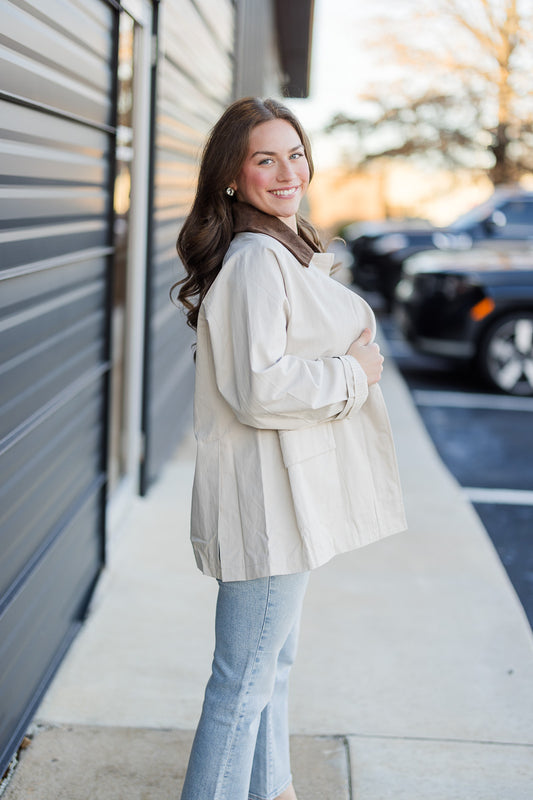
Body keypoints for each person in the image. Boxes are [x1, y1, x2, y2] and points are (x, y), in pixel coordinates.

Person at [174, 97, 406, 800]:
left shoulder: (285, 246)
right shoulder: (253, 261)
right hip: (267, 506)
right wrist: (353, 375)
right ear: (230, 177)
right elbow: (257, 388)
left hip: (285, 501)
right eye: (263, 159)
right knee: (240, 684)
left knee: (267, 668)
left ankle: (271, 790)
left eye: (294, 154)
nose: (285, 172)